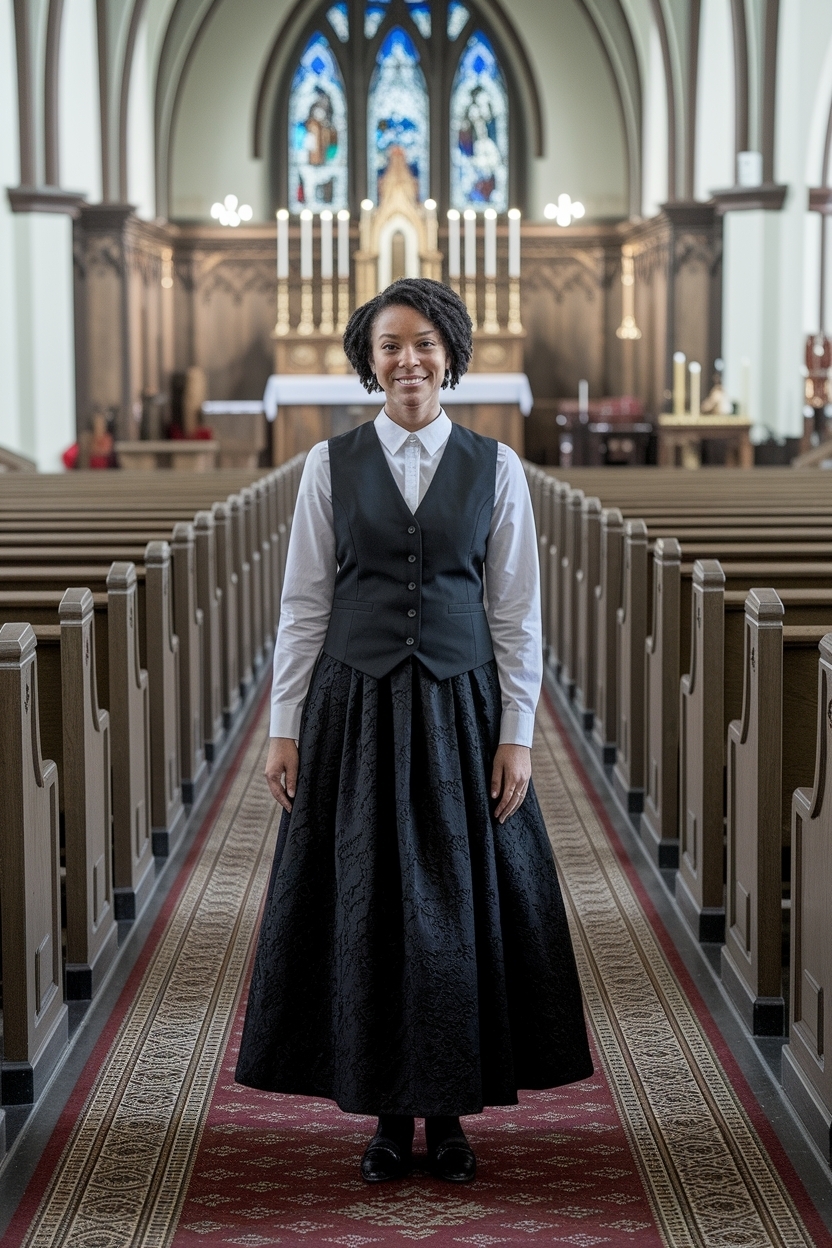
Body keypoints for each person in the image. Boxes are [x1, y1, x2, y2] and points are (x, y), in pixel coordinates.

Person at [235, 278, 592, 1185]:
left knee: (457, 919)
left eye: (426, 343)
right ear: (367, 359)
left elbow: (516, 613)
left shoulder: (496, 465)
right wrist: (284, 726)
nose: (409, 361)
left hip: (460, 711)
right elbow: (304, 602)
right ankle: (389, 1116)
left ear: (453, 356)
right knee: (373, 911)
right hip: (355, 712)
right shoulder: (329, 463)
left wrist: (519, 733)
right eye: (391, 345)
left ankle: (453, 1114)